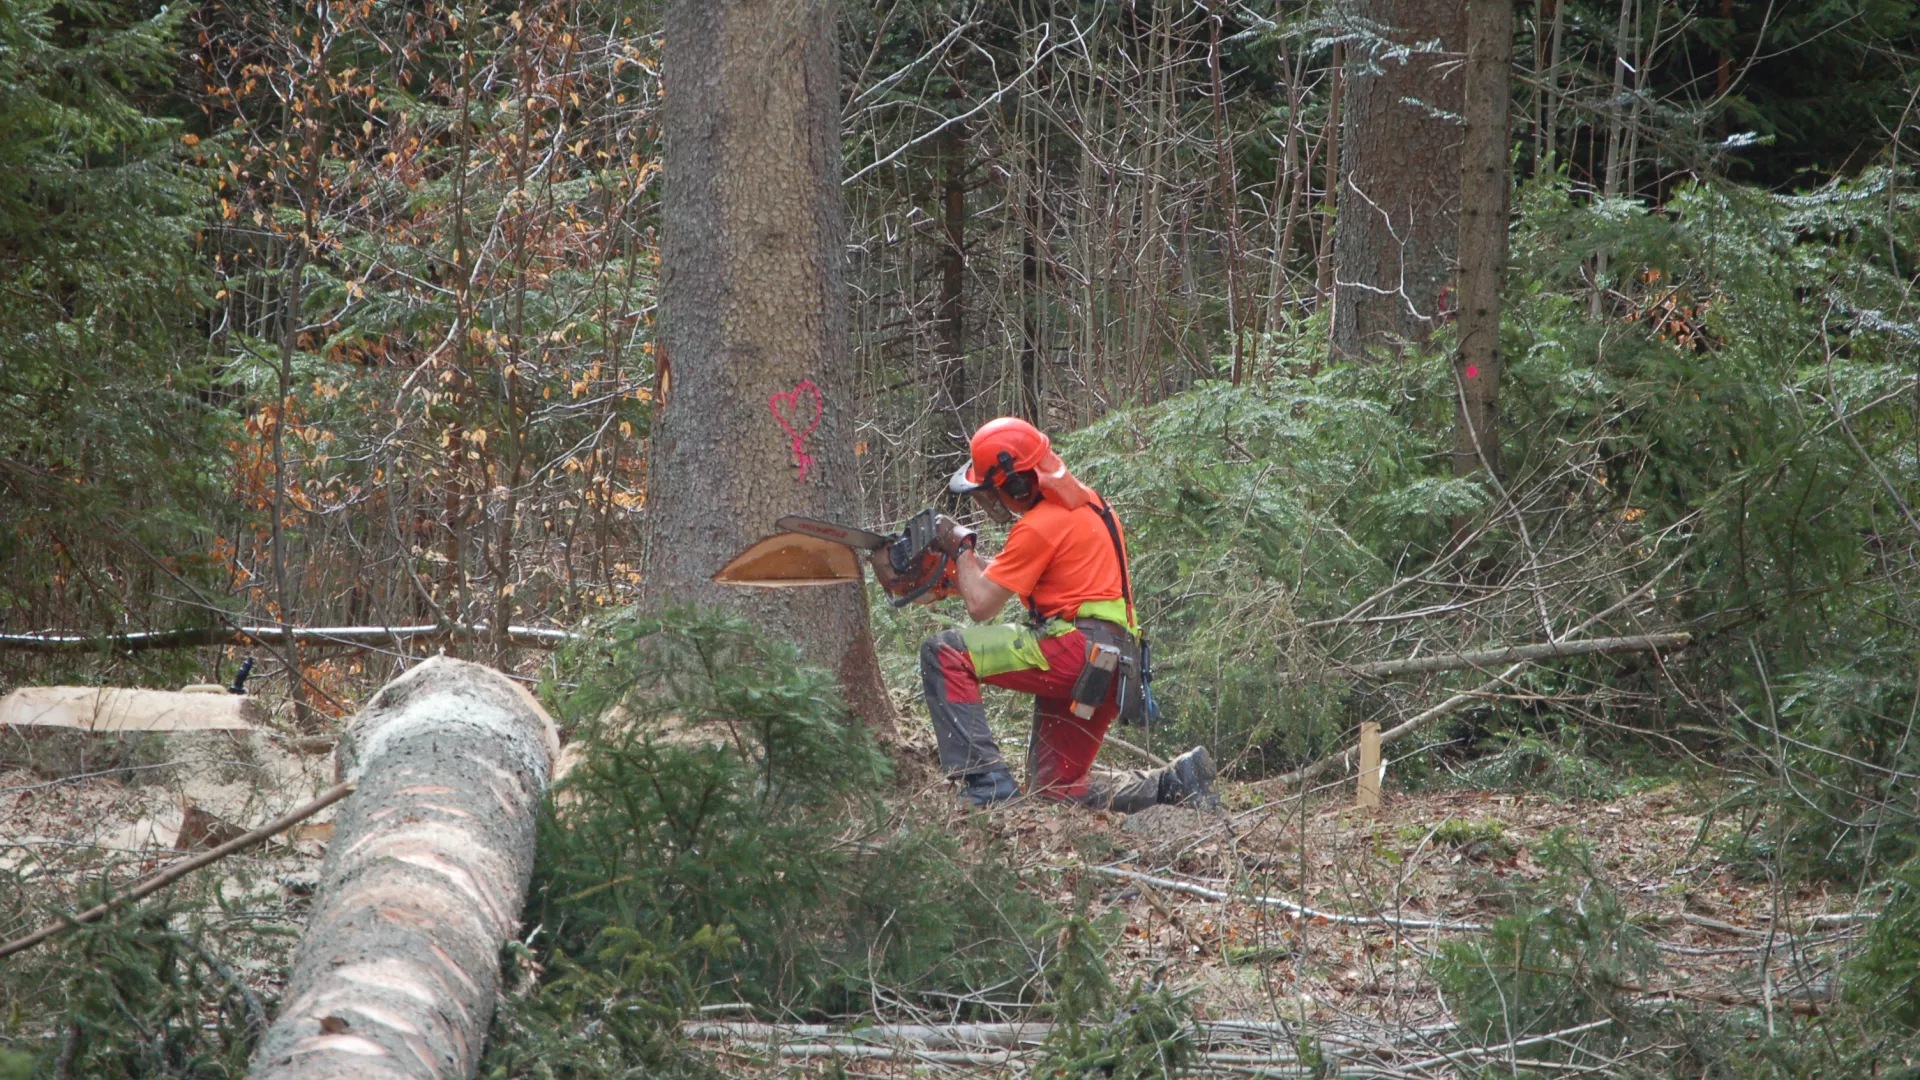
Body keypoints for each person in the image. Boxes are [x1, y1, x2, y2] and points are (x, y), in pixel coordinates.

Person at [919, 417, 1219, 811]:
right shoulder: (1090, 506)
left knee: (946, 652)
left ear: (1018, 484)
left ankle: (985, 783)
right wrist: (959, 574)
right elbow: (1009, 577)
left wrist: (960, 548)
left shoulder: (1040, 525)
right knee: (1054, 790)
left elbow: (981, 606)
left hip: (1075, 649)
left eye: (993, 491)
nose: (993, 501)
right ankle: (1172, 784)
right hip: (1113, 666)